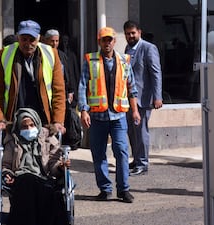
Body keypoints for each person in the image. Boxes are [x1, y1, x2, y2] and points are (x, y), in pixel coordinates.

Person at [78, 27, 141, 203]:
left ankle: (123, 189)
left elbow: (131, 87)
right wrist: (83, 110)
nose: (107, 43)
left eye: (110, 40)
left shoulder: (124, 61)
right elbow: (82, 87)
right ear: (99, 42)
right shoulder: (90, 61)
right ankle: (105, 189)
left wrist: (135, 110)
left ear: (114, 41)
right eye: (104, 40)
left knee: (121, 152)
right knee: (98, 154)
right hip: (98, 117)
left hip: (119, 117)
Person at [0, 20, 66, 135]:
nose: (28, 44)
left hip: (43, 117)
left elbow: (59, 91)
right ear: (18, 37)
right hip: (14, 118)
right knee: (15, 152)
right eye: (24, 39)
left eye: (32, 40)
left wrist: (58, 121)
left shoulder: (51, 54)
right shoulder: (5, 54)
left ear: (39, 38)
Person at [2, 107, 70, 225]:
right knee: (28, 181)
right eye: (24, 126)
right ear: (19, 126)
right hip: (20, 177)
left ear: (37, 123)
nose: (28, 129)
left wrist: (60, 167)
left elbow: (53, 163)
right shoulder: (12, 140)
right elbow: (5, 164)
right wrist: (7, 174)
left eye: (31, 125)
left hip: (43, 176)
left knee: (53, 193)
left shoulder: (47, 138)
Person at [123, 20, 163, 176]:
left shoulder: (148, 48)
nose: (130, 36)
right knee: (132, 132)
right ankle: (136, 159)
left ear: (139, 32)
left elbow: (155, 73)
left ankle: (143, 163)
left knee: (141, 132)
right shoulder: (128, 48)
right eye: (127, 33)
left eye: (133, 33)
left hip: (144, 99)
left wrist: (157, 97)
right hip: (129, 99)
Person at [43, 29, 82, 149]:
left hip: (61, 94)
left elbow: (68, 74)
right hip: (46, 95)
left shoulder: (62, 55)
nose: (54, 44)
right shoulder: (41, 54)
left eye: (56, 41)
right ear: (46, 41)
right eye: (52, 41)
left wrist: (70, 91)